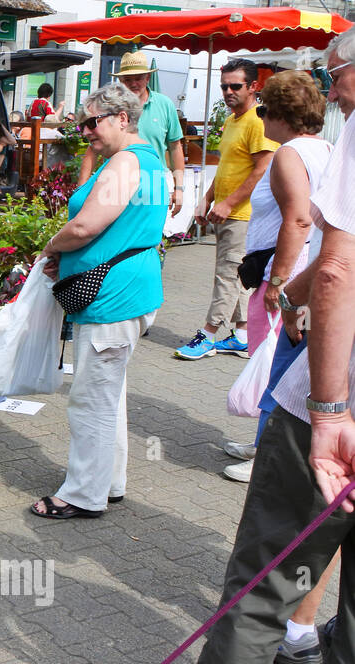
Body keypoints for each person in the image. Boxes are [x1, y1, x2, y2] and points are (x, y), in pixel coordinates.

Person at [146, 48, 355, 664]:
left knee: (261, 586)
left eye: (338, 66)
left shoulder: (332, 141)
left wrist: (328, 410)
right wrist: (288, 294)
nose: (332, 81)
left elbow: (338, 264)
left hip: (337, 408)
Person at [31, 83, 167, 519]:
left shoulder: (126, 162)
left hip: (112, 298)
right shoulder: (148, 161)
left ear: (122, 119)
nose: (85, 131)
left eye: (92, 122)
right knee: (110, 394)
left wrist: (52, 247)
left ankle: (82, 495)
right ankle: (109, 483)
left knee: (92, 399)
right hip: (128, 290)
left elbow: (86, 227)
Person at [223, 70, 333, 486]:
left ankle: (266, 458)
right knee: (280, 363)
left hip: (289, 273)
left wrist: (279, 284)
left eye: (266, 108)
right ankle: (261, 445)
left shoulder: (290, 154)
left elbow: (299, 219)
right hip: (306, 270)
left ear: (282, 113)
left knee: (277, 366)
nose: (262, 117)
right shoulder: (325, 149)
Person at [175, 58, 279, 360]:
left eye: (236, 86)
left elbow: (262, 168)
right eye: (224, 86)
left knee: (227, 275)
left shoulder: (257, 120)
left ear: (253, 86)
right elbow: (227, 168)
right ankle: (243, 335)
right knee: (237, 275)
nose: (228, 91)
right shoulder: (232, 120)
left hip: (242, 214)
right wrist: (207, 198)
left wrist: (229, 202)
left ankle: (207, 334)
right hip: (226, 210)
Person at [77, 50, 185, 214]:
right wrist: (81, 189)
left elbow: (176, 148)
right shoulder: (111, 108)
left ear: (147, 78)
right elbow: (92, 149)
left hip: (154, 180)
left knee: (149, 233)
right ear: (120, 81)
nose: (133, 83)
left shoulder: (165, 105)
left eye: (138, 78)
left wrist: (179, 188)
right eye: (128, 79)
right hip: (116, 178)